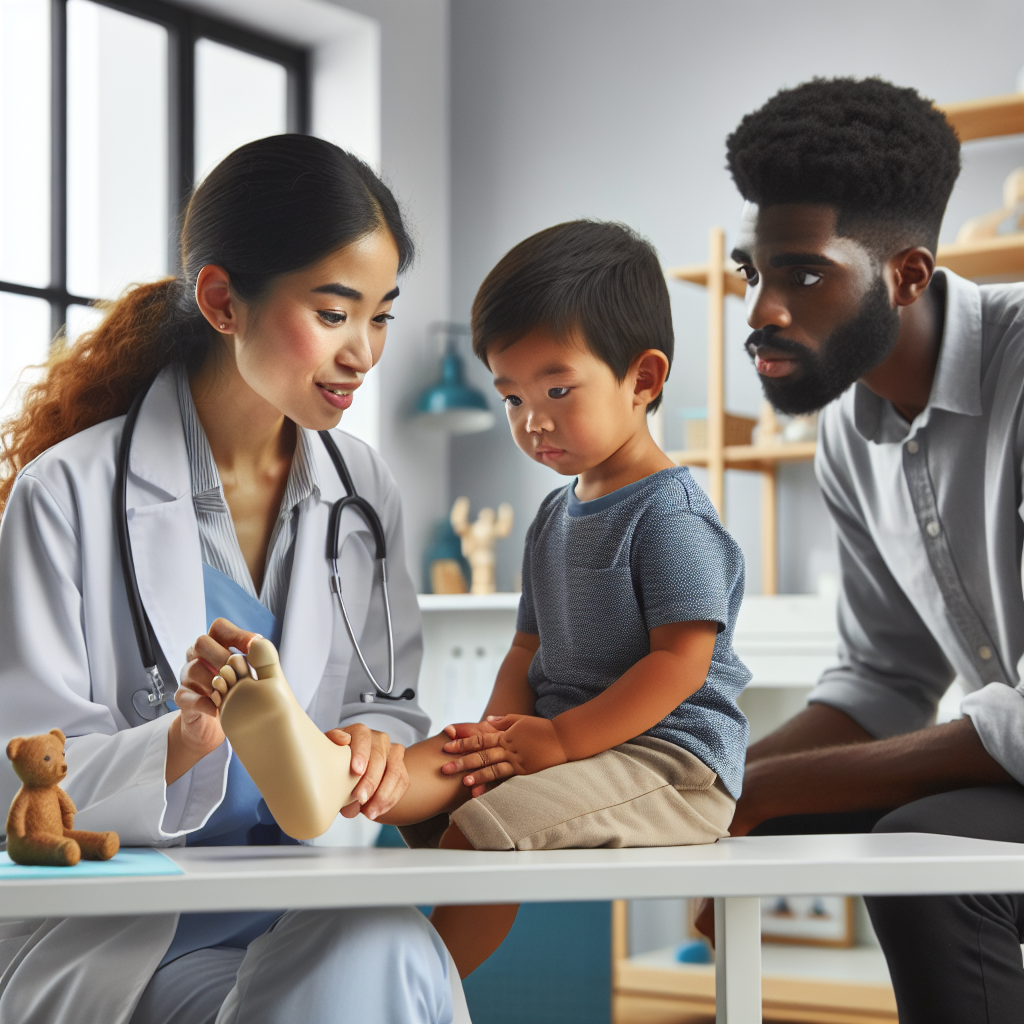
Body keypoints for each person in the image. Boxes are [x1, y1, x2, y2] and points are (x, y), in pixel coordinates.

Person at [0, 135, 467, 1024]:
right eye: (334, 314)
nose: (364, 352)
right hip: (135, 929)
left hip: (308, 896)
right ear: (222, 300)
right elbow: (19, 774)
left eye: (381, 316)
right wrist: (180, 742)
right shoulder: (66, 492)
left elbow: (389, 701)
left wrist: (371, 740)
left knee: (383, 942)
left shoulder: (363, 488)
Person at [695, 77, 1024, 1023]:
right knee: (723, 810)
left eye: (803, 275)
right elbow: (882, 681)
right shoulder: (848, 434)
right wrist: (709, 783)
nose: (760, 308)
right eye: (754, 273)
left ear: (907, 275)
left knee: (929, 850)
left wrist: (759, 789)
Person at [371, 221, 751, 976]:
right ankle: (334, 783)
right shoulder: (553, 516)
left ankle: (415, 995)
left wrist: (561, 740)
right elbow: (527, 648)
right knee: (423, 784)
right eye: (510, 396)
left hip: (668, 764)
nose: (531, 420)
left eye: (556, 390)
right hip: (569, 738)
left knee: (485, 826)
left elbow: (680, 664)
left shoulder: (668, 516)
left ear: (642, 380)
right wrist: (489, 739)